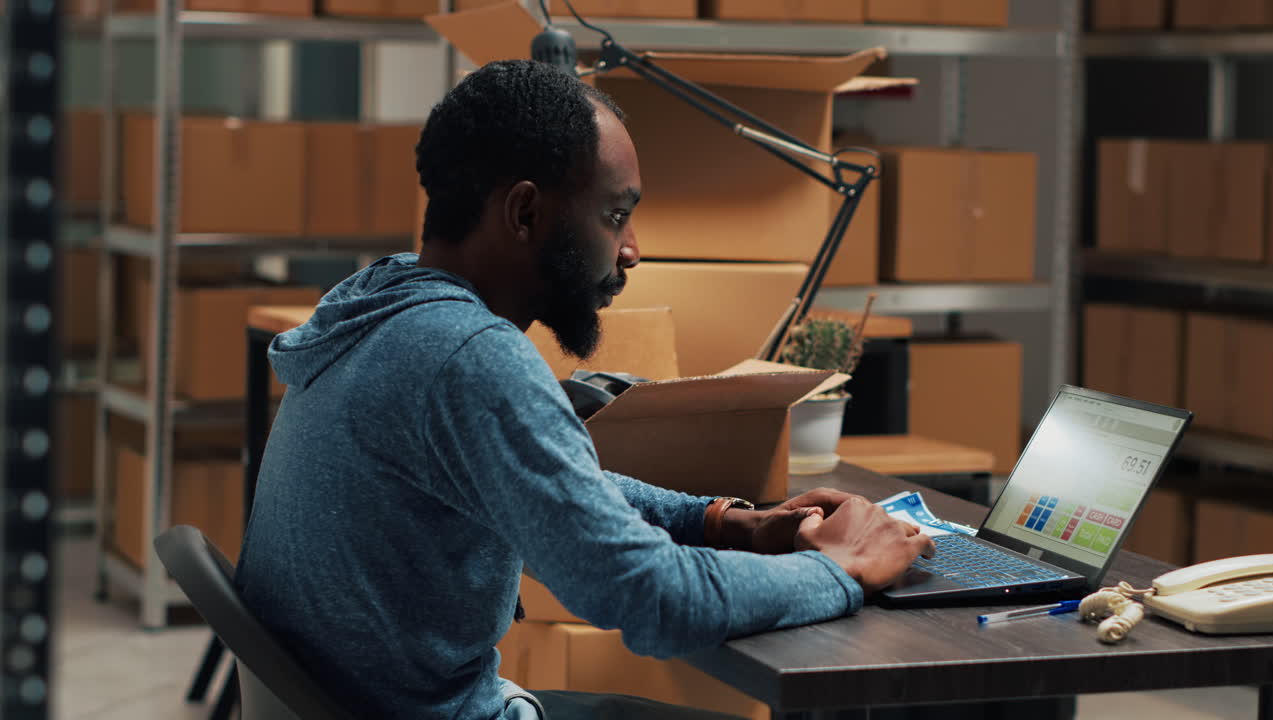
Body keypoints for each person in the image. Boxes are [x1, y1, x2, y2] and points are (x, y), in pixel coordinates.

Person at [235, 59, 934, 720]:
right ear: (525, 213)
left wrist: (721, 521)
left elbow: (553, 488)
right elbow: (653, 599)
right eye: (614, 214)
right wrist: (843, 568)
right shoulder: (467, 357)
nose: (632, 247)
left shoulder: (386, 305)